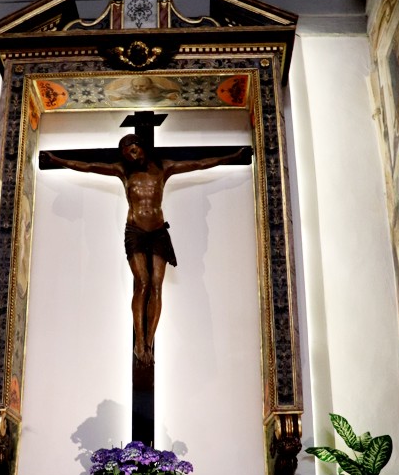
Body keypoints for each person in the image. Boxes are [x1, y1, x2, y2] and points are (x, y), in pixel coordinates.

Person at [42, 133, 249, 366]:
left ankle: (150, 340)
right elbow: (88, 166)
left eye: (133, 150)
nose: (131, 157)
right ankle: (139, 341)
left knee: (157, 285)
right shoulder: (123, 171)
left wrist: (234, 157)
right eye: (126, 154)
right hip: (135, 231)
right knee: (142, 283)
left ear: (141, 147)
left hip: (158, 231)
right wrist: (56, 160)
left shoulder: (163, 168)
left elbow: (200, 164)